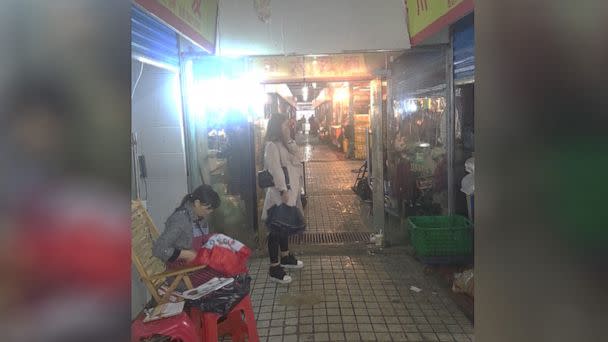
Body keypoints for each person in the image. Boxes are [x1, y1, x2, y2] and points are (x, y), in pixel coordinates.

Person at [262, 113, 305, 284]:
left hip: (290, 193)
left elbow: (298, 157)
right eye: (286, 125)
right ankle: (274, 267)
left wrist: (289, 139)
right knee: (275, 230)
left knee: (284, 227)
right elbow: (275, 170)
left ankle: (286, 257)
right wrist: (282, 190)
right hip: (280, 195)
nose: (288, 127)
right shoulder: (272, 145)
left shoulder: (284, 144)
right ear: (277, 126)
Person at [152, 184, 222, 287]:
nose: (209, 212)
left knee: (229, 266)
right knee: (225, 276)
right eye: (208, 209)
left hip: (191, 266)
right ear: (197, 203)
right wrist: (188, 254)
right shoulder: (180, 220)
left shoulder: (194, 216)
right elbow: (158, 249)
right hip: (181, 272)